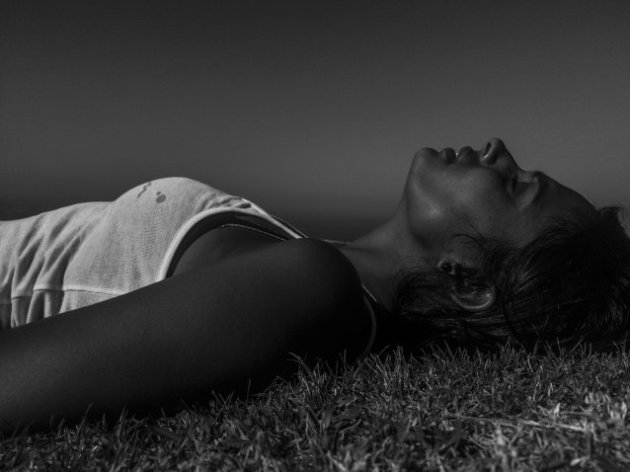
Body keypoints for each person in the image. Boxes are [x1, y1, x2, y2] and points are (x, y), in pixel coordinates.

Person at [0, 137, 628, 434]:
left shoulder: (314, 285)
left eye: (515, 185)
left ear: (468, 282)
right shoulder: (318, 258)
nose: (499, 150)